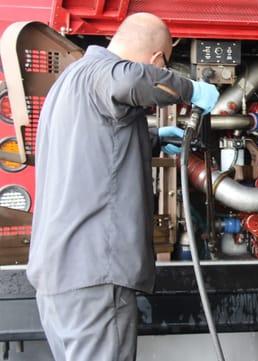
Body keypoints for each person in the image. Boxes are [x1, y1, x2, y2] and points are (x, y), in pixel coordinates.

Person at [26, 12, 218, 361]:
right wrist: (190, 89)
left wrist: (156, 137)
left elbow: (98, 144)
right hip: (94, 273)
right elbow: (129, 81)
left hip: (58, 275)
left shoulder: (69, 82)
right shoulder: (106, 73)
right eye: (163, 67)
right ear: (158, 60)